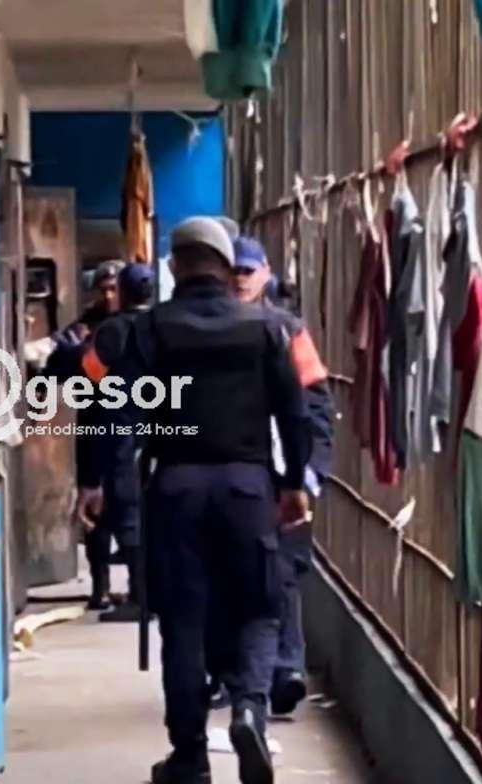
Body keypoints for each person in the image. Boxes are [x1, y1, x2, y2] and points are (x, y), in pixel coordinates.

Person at [92, 217, 313, 784]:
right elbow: (295, 413)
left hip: (176, 490)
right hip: (248, 489)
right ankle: (249, 710)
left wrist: (112, 495)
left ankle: (190, 757)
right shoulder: (266, 328)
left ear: (174, 267)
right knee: (259, 608)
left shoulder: (151, 330)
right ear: (225, 266)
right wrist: (294, 483)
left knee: (183, 623)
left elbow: (119, 417)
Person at [230, 236, 336, 718]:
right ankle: (240, 672)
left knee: (286, 572)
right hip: (237, 471)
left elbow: (318, 407)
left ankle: (287, 669)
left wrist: (311, 474)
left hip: (284, 471)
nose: (240, 279)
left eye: (247, 271)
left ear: (265, 274)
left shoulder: (289, 332)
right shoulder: (215, 330)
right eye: (233, 270)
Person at [76, 263, 158, 622]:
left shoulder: (111, 331)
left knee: (126, 516)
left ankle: (140, 599)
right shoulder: (161, 326)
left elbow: (88, 378)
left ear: (123, 292)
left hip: (119, 432)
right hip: (158, 432)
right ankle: (129, 591)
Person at [44, 260, 125, 609]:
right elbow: (58, 366)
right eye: (103, 289)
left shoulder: (140, 325)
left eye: (114, 289)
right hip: (95, 422)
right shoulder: (87, 325)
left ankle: (141, 590)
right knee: (95, 511)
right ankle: (100, 586)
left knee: (133, 510)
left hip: (133, 426)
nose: (108, 296)